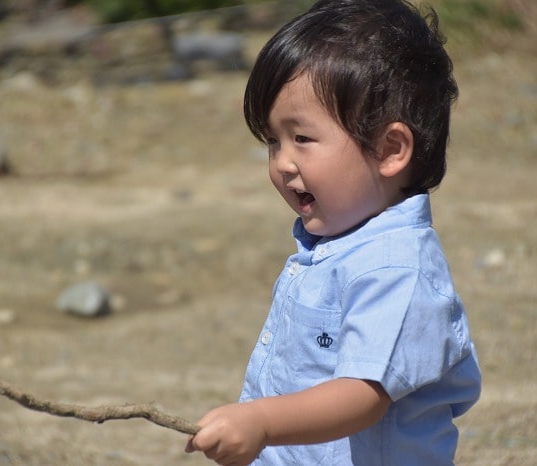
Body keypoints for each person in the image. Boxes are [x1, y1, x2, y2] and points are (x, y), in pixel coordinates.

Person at [185, 0, 482, 464]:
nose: (282, 163)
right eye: (272, 141)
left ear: (389, 150)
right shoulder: (337, 246)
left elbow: (362, 394)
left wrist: (261, 422)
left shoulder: (396, 268)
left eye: (301, 138)